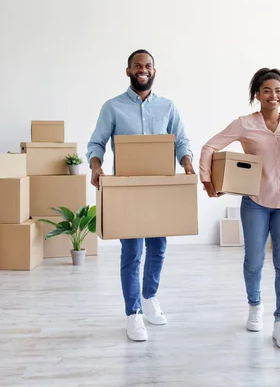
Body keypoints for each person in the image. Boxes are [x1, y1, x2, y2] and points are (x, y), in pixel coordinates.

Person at [199, 68, 280, 349]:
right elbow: (209, 146)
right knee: (254, 260)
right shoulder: (245, 124)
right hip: (255, 203)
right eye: (266, 91)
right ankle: (255, 306)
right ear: (257, 95)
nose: (272, 96)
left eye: (277, 91)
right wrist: (207, 180)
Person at [86, 49, 195, 342]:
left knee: (158, 248)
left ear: (154, 71)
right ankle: (132, 313)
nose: (142, 69)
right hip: (128, 189)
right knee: (132, 252)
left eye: (147, 66)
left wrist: (186, 162)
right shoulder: (112, 107)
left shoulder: (168, 107)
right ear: (128, 71)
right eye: (137, 66)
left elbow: (182, 140)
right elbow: (96, 143)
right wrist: (96, 167)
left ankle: (149, 297)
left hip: (159, 190)